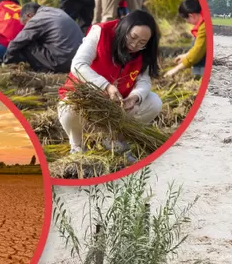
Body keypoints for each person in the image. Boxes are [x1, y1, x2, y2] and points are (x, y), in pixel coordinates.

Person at [57, 10, 163, 157]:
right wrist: (106, 86)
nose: (134, 45)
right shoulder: (101, 32)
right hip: (88, 99)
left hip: (119, 103)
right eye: (132, 37)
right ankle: (77, 146)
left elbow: (144, 79)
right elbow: (78, 64)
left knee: (154, 102)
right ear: (125, 28)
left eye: (142, 43)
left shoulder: (144, 51)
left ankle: (115, 140)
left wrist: (134, 97)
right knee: (68, 108)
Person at [4, 2, 83, 73]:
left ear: (29, 15)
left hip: (63, 62)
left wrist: (7, 60)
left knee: (25, 43)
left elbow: (17, 42)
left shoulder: (37, 19)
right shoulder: (56, 11)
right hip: (79, 60)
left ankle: (40, 70)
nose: (26, 26)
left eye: (26, 24)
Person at [166, 0, 208, 78]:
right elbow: (200, 45)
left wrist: (175, 69)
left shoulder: (204, 27)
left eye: (186, 19)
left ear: (192, 15)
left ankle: (200, 75)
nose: (187, 22)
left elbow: (198, 52)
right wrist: (186, 55)